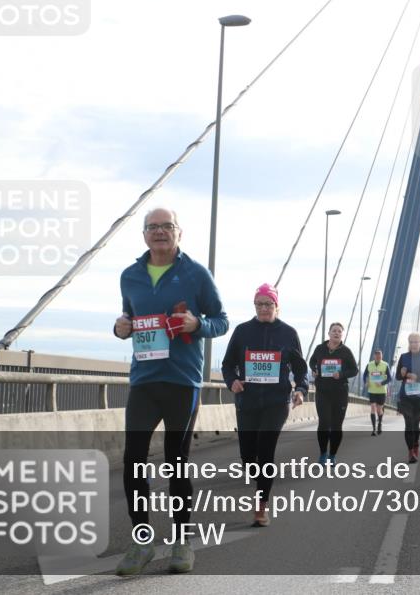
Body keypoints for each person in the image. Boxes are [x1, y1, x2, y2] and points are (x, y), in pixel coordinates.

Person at [112, 207, 228, 575]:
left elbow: (221, 321)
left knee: (176, 462)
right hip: (144, 381)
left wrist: (198, 324)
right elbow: (128, 319)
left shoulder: (196, 274)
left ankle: (181, 541)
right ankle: (142, 541)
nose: (159, 232)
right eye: (152, 227)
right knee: (133, 460)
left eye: (167, 226)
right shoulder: (130, 276)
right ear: (144, 234)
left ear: (179, 232)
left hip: (182, 381)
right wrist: (120, 328)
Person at [221, 284, 306, 526]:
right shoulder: (242, 331)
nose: (263, 308)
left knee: (266, 452)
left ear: (277, 306)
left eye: (268, 304)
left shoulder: (288, 333)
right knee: (248, 457)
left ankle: (261, 507)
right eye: (259, 304)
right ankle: (256, 477)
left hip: (276, 403)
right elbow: (227, 365)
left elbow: (300, 369)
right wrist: (232, 381)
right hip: (247, 402)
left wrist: (300, 389)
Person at [309, 322, 359, 464]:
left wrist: (341, 374)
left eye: (339, 331)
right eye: (334, 331)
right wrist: (314, 369)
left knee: (336, 426)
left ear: (342, 335)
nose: (336, 333)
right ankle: (323, 454)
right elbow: (312, 362)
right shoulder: (320, 348)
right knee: (324, 423)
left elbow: (354, 370)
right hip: (322, 392)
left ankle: (332, 455)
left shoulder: (346, 351)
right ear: (329, 333)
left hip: (340, 393)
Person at [396, 332, 420, 463]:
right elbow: (397, 377)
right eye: (411, 342)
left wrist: (418, 377)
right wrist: (404, 375)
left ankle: (415, 444)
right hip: (405, 396)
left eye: (416, 342)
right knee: (409, 423)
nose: (413, 344)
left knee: (415, 424)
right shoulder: (403, 357)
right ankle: (411, 452)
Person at [363, 349, 391, 436]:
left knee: (379, 410)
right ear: (374, 356)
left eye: (380, 356)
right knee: (373, 408)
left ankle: (380, 424)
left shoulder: (385, 365)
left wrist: (382, 383)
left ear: (381, 356)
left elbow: (389, 378)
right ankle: (374, 429)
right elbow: (364, 375)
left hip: (382, 391)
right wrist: (365, 382)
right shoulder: (369, 365)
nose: (378, 357)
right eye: (377, 356)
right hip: (372, 391)